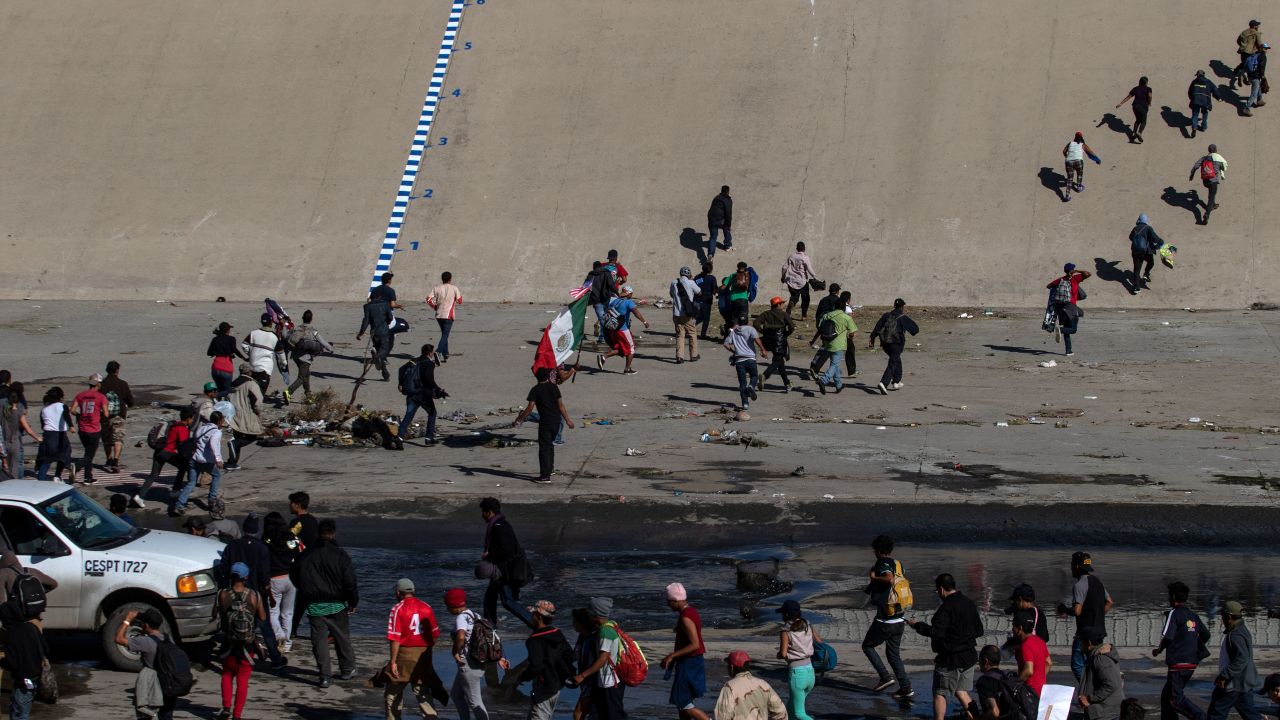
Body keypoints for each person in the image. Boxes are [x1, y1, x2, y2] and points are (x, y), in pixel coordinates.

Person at [291, 518, 358, 688]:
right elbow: (350, 581)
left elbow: (294, 575)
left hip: (314, 604)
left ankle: (325, 675)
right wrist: (353, 601)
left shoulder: (306, 554)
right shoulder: (340, 555)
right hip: (337, 602)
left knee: (319, 642)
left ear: (317, 534)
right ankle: (347, 669)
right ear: (333, 534)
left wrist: (305, 589)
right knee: (342, 638)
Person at [907, 574, 984, 720]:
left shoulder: (946, 608)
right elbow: (979, 630)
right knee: (961, 690)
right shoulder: (968, 603)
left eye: (937, 591)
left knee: (940, 692)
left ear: (941, 590)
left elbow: (935, 632)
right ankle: (975, 716)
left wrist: (917, 625)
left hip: (950, 659)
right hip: (969, 656)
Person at [446, 587, 510, 720]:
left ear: (453, 605)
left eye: (447, 605)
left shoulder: (461, 618)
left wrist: (455, 652)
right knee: (456, 695)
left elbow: (461, 637)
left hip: (468, 666)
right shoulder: (476, 616)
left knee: (475, 702)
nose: (447, 609)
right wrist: (500, 657)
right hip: (476, 663)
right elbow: (493, 637)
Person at [384, 578, 444, 720]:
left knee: (393, 691)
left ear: (398, 592)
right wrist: (426, 650)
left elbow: (395, 638)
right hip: (423, 654)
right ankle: (431, 717)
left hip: (404, 655)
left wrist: (393, 661)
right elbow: (435, 634)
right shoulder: (426, 607)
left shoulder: (397, 609)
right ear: (413, 591)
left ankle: (393, 718)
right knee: (422, 690)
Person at [214, 562, 267, 720]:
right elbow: (263, 617)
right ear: (246, 577)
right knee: (243, 679)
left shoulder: (223, 594)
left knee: (226, 675)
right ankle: (237, 715)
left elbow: (214, 615)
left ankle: (226, 707)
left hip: (229, 642)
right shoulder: (254, 595)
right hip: (247, 644)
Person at [862, 535, 913, 699]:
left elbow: (889, 579)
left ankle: (885, 677)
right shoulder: (898, 564)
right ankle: (905, 687)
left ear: (878, 551)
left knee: (868, 646)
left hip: (886, 618)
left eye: (874, 550)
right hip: (899, 617)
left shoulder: (881, 563)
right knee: (893, 654)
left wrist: (873, 578)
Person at [1153, 581, 1209, 720]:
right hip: (1191, 663)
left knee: (1175, 700)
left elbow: (1168, 637)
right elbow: (1206, 635)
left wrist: (1159, 650)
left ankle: (1201, 717)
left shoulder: (1174, 613)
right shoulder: (1193, 615)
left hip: (1178, 664)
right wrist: (1191, 645)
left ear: (1172, 597)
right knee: (1167, 697)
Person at [476, 498, 534, 627]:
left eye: (483, 512)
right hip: (502, 570)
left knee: (507, 601)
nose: (482, 516)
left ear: (489, 512)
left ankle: (533, 622)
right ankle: (490, 626)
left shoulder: (499, 527)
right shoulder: (500, 524)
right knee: (490, 599)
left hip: (504, 571)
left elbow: (507, 551)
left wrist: (489, 555)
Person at [1058, 551, 1114, 682]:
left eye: (1072, 564)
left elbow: (1077, 611)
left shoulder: (1079, 585)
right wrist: (1098, 616)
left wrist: (1065, 609)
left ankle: (1088, 689)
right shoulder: (1098, 582)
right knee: (1093, 662)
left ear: (1077, 567)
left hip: (1085, 633)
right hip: (1099, 632)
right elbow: (1110, 602)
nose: (1071, 567)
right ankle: (1094, 686)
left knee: (1077, 665)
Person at [114, 608, 177, 719]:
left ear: (146, 625)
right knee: (166, 716)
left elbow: (119, 639)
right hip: (169, 683)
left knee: (146, 715)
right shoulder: (168, 639)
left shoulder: (144, 641)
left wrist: (127, 620)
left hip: (153, 684)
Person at [571, 596, 629, 720]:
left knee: (613, 714)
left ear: (594, 615)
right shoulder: (603, 630)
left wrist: (582, 676)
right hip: (603, 681)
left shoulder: (604, 632)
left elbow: (602, 659)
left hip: (609, 681)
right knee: (602, 713)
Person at [514, 368, 575, 484]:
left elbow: (530, 408)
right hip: (556, 421)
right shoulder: (554, 387)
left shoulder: (535, 390)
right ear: (547, 377)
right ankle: (550, 469)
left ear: (537, 377)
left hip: (545, 422)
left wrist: (519, 419)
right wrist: (568, 421)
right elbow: (561, 406)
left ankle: (545, 476)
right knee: (550, 446)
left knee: (544, 449)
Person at [661, 583, 709, 720]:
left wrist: (672, 655)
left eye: (669, 601)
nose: (668, 604)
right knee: (682, 703)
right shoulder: (691, 611)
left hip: (689, 664)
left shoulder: (685, 617)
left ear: (676, 600)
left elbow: (695, 644)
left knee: (684, 703)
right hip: (693, 662)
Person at [1208, 601, 1262, 720]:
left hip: (1233, 683)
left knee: (1216, 713)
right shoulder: (1241, 630)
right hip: (1243, 683)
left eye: (1223, 616)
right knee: (1250, 715)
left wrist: (1224, 676)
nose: (1221, 619)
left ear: (1229, 617)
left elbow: (1242, 659)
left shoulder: (1236, 635)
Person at [131, 407, 194, 508]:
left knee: (154, 475)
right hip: (168, 453)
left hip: (159, 451)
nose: (192, 421)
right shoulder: (182, 429)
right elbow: (184, 446)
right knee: (183, 466)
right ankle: (175, 490)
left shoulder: (173, 424)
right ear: (188, 419)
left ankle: (140, 496)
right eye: (192, 419)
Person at [523, 599, 574, 720]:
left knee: (538, 716)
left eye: (533, 614)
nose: (532, 617)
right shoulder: (558, 633)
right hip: (557, 685)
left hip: (543, 686)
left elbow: (536, 666)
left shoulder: (535, 639)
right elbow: (570, 656)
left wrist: (523, 677)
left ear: (538, 616)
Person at [0, 596, 47, 720]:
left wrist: (3, 659)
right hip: (34, 677)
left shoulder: (12, 635)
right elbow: (45, 649)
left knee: (19, 711)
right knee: (24, 704)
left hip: (24, 679)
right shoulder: (32, 627)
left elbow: (12, 663)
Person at [172, 410, 225, 517]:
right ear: (219, 421)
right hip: (206, 461)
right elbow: (214, 444)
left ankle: (179, 505)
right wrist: (218, 460)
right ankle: (212, 500)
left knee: (191, 483)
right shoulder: (216, 432)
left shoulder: (201, 428)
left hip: (194, 459)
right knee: (216, 475)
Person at [262, 512, 299, 654]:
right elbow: (296, 552)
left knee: (272, 611)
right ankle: (287, 643)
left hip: (274, 578)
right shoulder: (290, 537)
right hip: (291, 578)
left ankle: (280, 636)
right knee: (288, 613)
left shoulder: (266, 540)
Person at [776, 599, 820, 720]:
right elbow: (819, 642)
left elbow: (784, 653)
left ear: (786, 614)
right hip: (811, 673)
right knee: (791, 707)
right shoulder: (808, 625)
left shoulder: (785, 631)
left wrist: (779, 655)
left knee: (799, 713)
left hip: (797, 674)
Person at [714, 650, 787, 720]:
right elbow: (780, 712)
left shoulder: (729, 687)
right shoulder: (763, 684)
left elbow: (722, 716)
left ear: (732, 667)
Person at [868, 298, 919, 394]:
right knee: (892, 363)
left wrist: (872, 339)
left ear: (894, 306)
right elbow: (915, 330)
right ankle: (884, 383)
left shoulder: (886, 315)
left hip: (885, 344)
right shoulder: (903, 317)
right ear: (902, 307)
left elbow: (877, 328)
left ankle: (896, 381)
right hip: (896, 344)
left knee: (896, 359)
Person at [810, 291, 857, 395]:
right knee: (835, 365)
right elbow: (853, 332)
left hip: (827, 342)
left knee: (834, 364)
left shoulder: (827, 315)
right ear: (844, 307)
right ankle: (824, 380)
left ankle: (838, 385)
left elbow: (820, 326)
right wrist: (850, 336)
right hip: (839, 344)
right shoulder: (846, 317)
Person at [283, 310, 334, 404]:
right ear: (311, 319)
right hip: (305, 358)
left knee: (306, 375)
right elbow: (323, 342)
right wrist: (330, 348)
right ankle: (289, 391)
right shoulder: (313, 330)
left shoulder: (296, 329)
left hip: (295, 356)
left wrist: (284, 326)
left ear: (302, 318)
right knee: (302, 378)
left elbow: (286, 336)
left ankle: (309, 396)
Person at [597, 285, 649, 375]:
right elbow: (636, 312)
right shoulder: (628, 302)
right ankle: (627, 369)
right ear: (628, 294)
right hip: (623, 329)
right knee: (631, 349)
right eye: (631, 294)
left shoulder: (614, 301)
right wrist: (644, 322)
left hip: (613, 329)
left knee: (620, 348)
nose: (631, 296)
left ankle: (604, 356)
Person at [398, 344, 443, 447]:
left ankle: (399, 438)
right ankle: (429, 438)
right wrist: (437, 389)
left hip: (411, 393)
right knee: (432, 413)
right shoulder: (429, 364)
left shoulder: (414, 360)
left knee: (408, 416)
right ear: (430, 353)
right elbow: (429, 379)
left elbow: (401, 370)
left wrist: (400, 383)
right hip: (423, 395)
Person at [69, 373, 108, 485]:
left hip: (82, 428)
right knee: (90, 455)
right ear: (98, 384)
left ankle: (88, 477)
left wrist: (79, 415)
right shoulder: (101, 397)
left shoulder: (80, 395)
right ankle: (76, 467)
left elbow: (72, 410)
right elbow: (106, 413)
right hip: (94, 429)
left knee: (88, 453)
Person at [723, 316, 766, 411]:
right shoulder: (751, 329)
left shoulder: (733, 332)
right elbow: (757, 340)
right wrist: (763, 350)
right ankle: (751, 387)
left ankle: (745, 404)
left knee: (742, 383)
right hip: (750, 359)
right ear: (747, 321)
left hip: (739, 360)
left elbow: (726, 344)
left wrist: (734, 352)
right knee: (754, 376)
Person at [225, 365, 263, 471]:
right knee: (252, 436)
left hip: (233, 414)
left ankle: (232, 462)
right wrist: (258, 412)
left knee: (237, 437)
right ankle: (233, 450)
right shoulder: (251, 384)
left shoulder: (233, 384)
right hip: (247, 414)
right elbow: (257, 400)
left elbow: (227, 398)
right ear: (250, 372)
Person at [1079, 634, 1125, 720]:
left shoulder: (1100, 659)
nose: (1080, 646)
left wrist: (1089, 698)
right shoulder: (1096, 657)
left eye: (1081, 642)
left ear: (1089, 643)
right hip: (1105, 709)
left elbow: (1111, 684)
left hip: (1105, 711)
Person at [1047, 265, 1090, 356]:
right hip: (1070, 307)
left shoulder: (1061, 279)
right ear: (1072, 270)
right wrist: (1077, 271)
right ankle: (1060, 330)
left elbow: (1049, 286)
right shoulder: (1074, 279)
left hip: (1060, 308)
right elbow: (1088, 274)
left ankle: (1068, 351)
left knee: (1067, 328)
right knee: (1073, 329)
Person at [753, 297, 795, 392]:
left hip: (768, 340)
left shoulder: (766, 314)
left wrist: (763, 331)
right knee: (777, 360)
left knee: (780, 362)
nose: (783, 305)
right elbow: (792, 327)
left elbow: (755, 323)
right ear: (778, 305)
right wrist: (786, 334)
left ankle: (787, 383)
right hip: (780, 340)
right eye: (782, 303)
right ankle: (765, 375)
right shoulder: (784, 314)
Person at [100, 361, 135, 474]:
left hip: (104, 415)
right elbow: (130, 401)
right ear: (117, 370)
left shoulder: (102, 384)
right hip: (118, 415)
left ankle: (108, 459)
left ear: (106, 370)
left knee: (107, 439)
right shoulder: (122, 384)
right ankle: (115, 460)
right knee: (118, 438)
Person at [2, 386, 41, 480]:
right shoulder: (18, 411)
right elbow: (27, 429)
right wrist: (37, 438)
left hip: (2, 442)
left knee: (4, 467)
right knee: (14, 468)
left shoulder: (2, 409)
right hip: (14, 442)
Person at [35, 387, 72, 482]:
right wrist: (71, 426)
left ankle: (41, 479)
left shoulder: (44, 409)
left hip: (48, 435)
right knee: (64, 455)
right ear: (60, 397)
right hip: (60, 435)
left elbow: (43, 425)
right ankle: (57, 475)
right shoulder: (62, 406)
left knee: (47, 459)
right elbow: (66, 416)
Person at [1013, 611, 1051, 702]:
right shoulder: (1040, 641)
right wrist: (1039, 678)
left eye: (1013, 626)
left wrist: (1015, 683)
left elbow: (1028, 670)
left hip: (1029, 691)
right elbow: (1049, 663)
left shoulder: (1026, 645)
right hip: (1042, 689)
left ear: (1020, 628)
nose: (1012, 629)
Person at [244, 313, 285, 395]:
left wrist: (250, 353)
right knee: (260, 393)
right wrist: (284, 362)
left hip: (252, 366)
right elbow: (280, 352)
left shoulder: (253, 333)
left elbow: (244, 345)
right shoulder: (274, 336)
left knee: (251, 390)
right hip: (265, 369)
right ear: (271, 323)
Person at [427, 271, 464, 362]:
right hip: (448, 315)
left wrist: (435, 307)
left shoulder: (437, 288)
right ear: (450, 279)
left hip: (439, 314)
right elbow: (460, 301)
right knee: (445, 334)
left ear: (442, 279)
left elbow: (428, 299)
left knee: (444, 334)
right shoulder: (454, 288)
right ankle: (438, 351)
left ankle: (445, 353)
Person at [357, 296, 395, 382]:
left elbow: (365, 321)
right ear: (378, 297)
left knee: (379, 352)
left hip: (374, 333)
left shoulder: (367, 306)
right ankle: (378, 358)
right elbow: (390, 317)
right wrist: (387, 323)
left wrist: (361, 333)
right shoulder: (385, 304)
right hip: (384, 331)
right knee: (384, 351)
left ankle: (385, 374)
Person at [670, 267, 702, 363]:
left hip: (676, 313)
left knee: (680, 334)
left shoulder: (673, 282)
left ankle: (680, 356)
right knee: (692, 333)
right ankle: (693, 355)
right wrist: (691, 281)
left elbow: (671, 294)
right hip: (687, 313)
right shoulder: (691, 282)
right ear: (689, 274)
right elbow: (699, 292)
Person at [1189, 145, 1228, 223]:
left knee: (1211, 193)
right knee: (1211, 196)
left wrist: (1192, 175)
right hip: (1213, 181)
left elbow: (1196, 166)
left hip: (1205, 181)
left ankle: (1213, 204)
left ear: (1208, 150)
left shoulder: (1204, 158)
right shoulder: (1218, 159)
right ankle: (1207, 214)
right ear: (1216, 150)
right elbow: (1224, 167)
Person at [209, 321, 249, 396]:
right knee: (227, 391)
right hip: (226, 368)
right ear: (228, 330)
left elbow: (209, 353)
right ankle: (214, 396)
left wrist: (216, 352)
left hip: (216, 367)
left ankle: (217, 402)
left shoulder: (215, 339)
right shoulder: (231, 339)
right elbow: (235, 350)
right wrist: (244, 358)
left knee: (219, 388)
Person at [1130, 214, 1166, 294]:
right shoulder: (1148, 228)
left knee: (1136, 270)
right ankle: (1146, 274)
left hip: (1136, 252)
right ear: (1146, 220)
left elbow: (1130, 237)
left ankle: (1136, 288)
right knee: (1151, 263)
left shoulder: (1135, 228)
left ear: (1139, 220)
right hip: (1146, 252)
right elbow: (1155, 239)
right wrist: (1161, 243)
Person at [782, 242, 818, 319]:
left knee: (794, 296)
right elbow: (809, 269)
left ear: (796, 248)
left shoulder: (791, 256)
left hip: (791, 281)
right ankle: (804, 316)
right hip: (802, 281)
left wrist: (783, 276)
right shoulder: (805, 258)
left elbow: (784, 267)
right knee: (805, 299)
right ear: (804, 248)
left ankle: (791, 306)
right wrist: (815, 277)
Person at [972, 645, 1008, 720]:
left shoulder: (984, 681)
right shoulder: (1005, 677)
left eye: (979, 659)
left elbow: (994, 712)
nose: (979, 663)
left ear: (985, 661)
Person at [587, 261, 620, 344]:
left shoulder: (591, 274)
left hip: (596, 300)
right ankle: (603, 337)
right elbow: (611, 285)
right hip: (606, 299)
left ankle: (606, 336)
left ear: (594, 267)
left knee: (602, 319)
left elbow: (586, 287)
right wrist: (617, 292)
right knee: (604, 318)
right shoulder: (606, 273)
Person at [1062, 132, 1100, 201]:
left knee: (1069, 179)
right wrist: (1097, 159)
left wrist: (1067, 156)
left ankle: (1067, 196)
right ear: (1082, 138)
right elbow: (1090, 152)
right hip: (1078, 161)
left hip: (1068, 161)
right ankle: (1079, 187)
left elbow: (1064, 151)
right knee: (1079, 174)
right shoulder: (1083, 145)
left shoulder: (1070, 143)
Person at [720, 262, 756, 331]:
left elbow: (723, 287)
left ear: (737, 267)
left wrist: (716, 290)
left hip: (733, 300)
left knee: (735, 320)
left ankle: (731, 332)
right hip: (743, 300)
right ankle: (743, 338)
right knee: (744, 321)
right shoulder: (747, 275)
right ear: (745, 268)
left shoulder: (732, 275)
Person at [1116, 77, 1153, 143]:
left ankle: (1133, 134)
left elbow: (1129, 97)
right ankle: (1139, 133)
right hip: (1143, 107)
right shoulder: (1148, 89)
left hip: (1135, 106)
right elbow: (1150, 96)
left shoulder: (1135, 88)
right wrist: (1149, 103)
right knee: (1143, 122)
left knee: (1138, 120)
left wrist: (1121, 103)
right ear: (1146, 82)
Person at [1187, 71, 1220, 137]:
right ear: (1203, 75)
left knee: (1195, 114)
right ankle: (1204, 126)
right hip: (1205, 101)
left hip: (1196, 100)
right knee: (1205, 112)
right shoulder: (1208, 82)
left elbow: (1190, 91)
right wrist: (1218, 97)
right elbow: (1215, 89)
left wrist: (1192, 99)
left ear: (1197, 75)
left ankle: (1194, 127)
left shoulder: (1194, 81)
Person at [1234, 20, 1264, 88]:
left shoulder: (1244, 32)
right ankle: (1242, 76)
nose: (1258, 26)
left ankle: (1243, 77)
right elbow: (1259, 44)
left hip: (1243, 51)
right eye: (1257, 25)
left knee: (1244, 64)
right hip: (1251, 52)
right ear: (1254, 26)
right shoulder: (1256, 33)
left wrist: (1242, 46)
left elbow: (1238, 41)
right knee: (1251, 67)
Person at [1243, 44, 1269, 116]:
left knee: (1258, 88)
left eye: (1267, 49)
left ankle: (1259, 100)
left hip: (1250, 75)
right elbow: (1262, 67)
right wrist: (1262, 76)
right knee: (1254, 93)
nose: (1266, 50)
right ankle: (1246, 108)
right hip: (1255, 77)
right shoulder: (1263, 56)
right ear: (1261, 48)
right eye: (1265, 48)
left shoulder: (1255, 54)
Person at [707, 185, 733, 257]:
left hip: (711, 219)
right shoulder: (728, 200)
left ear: (721, 191)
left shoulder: (716, 198)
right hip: (720, 220)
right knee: (726, 228)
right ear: (728, 192)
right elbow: (728, 213)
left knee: (713, 237)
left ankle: (710, 254)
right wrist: (728, 224)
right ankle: (727, 246)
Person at [694, 264, 718, 340]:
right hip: (706, 301)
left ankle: (689, 329)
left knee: (699, 317)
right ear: (711, 270)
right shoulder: (712, 278)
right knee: (706, 318)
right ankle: (703, 334)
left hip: (696, 300)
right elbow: (714, 290)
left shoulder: (697, 277)